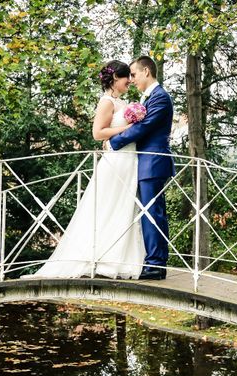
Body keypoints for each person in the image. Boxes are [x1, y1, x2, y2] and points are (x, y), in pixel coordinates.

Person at [29, 60, 146, 279]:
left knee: (125, 207)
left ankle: (120, 260)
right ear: (115, 79)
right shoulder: (106, 102)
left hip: (130, 160)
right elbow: (98, 133)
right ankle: (98, 259)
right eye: (125, 78)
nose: (129, 81)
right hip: (116, 161)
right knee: (108, 205)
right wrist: (129, 127)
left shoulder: (122, 102)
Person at [108, 56, 175, 280]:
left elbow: (144, 127)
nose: (132, 79)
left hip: (153, 162)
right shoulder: (150, 98)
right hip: (145, 163)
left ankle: (156, 264)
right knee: (149, 213)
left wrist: (114, 142)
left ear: (146, 71)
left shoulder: (160, 98)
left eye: (134, 74)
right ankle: (153, 261)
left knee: (152, 213)